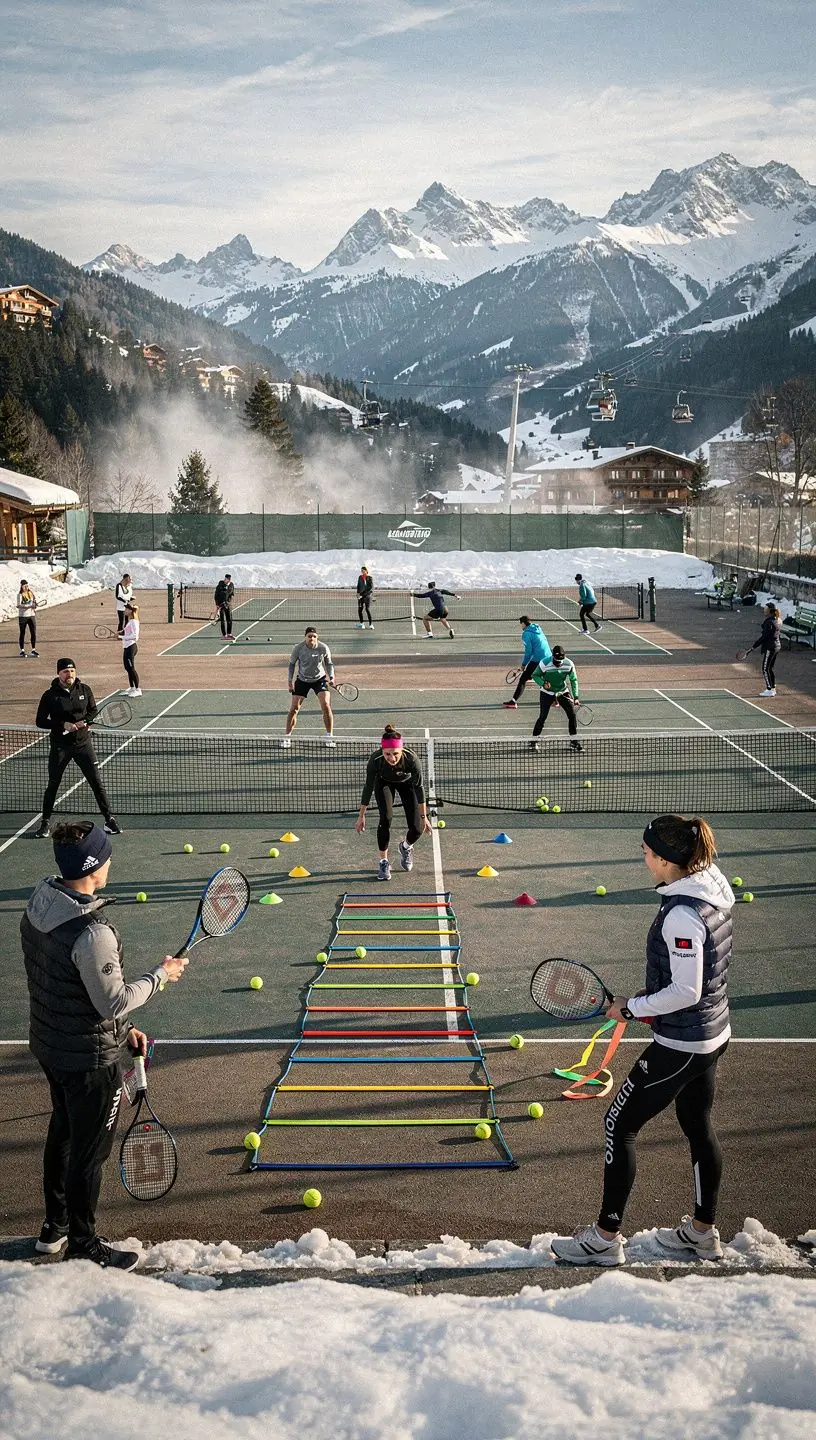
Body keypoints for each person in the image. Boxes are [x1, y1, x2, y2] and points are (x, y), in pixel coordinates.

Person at [550, 814, 733, 1267]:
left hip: (683, 1043)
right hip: (712, 1031)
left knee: (619, 1124)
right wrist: (644, 1002)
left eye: (648, 852)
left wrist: (632, 1007)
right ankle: (702, 1233)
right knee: (697, 1124)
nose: (644, 858)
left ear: (668, 861)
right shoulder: (710, 883)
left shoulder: (683, 915)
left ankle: (604, 1238)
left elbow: (686, 990)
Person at [21, 819, 188, 1269]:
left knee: (63, 1132)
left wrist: (123, 1027)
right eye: (107, 855)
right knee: (89, 1152)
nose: (112, 861)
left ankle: (54, 1228)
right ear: (94, 866)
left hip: (51, 1045)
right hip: (89, 1061)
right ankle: (84, 1243)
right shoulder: (93, 933)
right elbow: (112, 1000)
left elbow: (71, 987)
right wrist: (160, 976)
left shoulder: (39, 903)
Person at [34, 659, 122, 839]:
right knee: (53, 784)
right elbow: (40, 721)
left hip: (83, 745)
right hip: (60, 746)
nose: (70, 675)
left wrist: (86, 721)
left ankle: (109, 820)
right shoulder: (50, 695)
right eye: (66, 672)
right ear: (59, 673)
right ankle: (45, 823)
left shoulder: (85, 690)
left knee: (96, 782)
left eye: (72, 671)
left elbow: (93, 711)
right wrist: (62, 724)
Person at [356, 724, 431, 881]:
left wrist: (424, 817)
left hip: (406, 784)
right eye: (387, 754)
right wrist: (361, 815)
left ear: (401, 750)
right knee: (386, 818)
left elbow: (419, 788)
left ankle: (405, 847)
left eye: (395, 753)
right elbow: (368, 787)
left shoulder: (412, 760)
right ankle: (383, 862)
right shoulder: (375, 760)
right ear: (382, 751)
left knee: (418, 828)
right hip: (384, 783)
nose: (392, 758)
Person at [283, 626, 336, 747]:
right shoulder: (298, 648)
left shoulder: (323, 647)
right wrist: (290, 681)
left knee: (326, 705)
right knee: (294, 708)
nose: (312, 638)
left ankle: (329, 736)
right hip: (302, 680)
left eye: (314, 636)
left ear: (317, 637)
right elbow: (291, 665)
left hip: (319, 679)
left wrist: (332, 677)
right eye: (309, 636)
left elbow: (329, 663)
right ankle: (287, 737)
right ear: (305, 637)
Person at [529, 644, 582, 752]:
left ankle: (574, 741)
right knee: (542, 717)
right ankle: (533, 742)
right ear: (552, 656)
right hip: (546, 692)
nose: (558, 663)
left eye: (560, 661)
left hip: (562, 691)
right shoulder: (544, 663)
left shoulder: (569, 664)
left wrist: (576, 696)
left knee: (572, 715)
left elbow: (573, 680)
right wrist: (543, 683)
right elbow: (535, 675)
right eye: (556, 661)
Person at [503, 615, 552, 708]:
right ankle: (555, 701)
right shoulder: (537, 628)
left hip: (538, 659)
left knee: (523, 679)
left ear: (523, 623)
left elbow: (528, 652)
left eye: (521, 624)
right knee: (545, 678)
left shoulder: (526, 634)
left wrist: (524, 665)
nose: (521, 626)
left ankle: (513, 702)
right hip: (549, 657)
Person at [750, 601, 782, 697]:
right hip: (776, 646)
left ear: (769, 611)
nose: (764, 610)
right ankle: (773, 688)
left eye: (765, 609)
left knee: (765, 669)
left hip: (771, 647)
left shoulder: (769, 622)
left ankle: (769, 689)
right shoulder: (777, 620)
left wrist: (754, 646)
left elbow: (764, 637)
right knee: (769, 668)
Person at [120, 602, 141, 697]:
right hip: (126, 647)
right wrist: (121, 632)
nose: (125, 610)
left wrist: (121, 637)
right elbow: (128, 632)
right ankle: (132, 688)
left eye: (126, 609)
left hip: (131, 647)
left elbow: (135, 636)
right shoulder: (130, 621)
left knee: (131, 668)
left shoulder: (134, 622)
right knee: (127, 668)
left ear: (130, 611)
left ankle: (138, 689)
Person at [18, 578, 39, 658]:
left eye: (27, 586)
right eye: (24, 586)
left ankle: (33, 649)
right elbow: (18, 605)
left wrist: (34, 605)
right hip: (23, 616)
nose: (26, 587)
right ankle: (22, 651)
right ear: (21, 586)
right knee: (22, 633)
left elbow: (34, 602)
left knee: (33, 632)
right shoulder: (19, 595)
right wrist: (28, 606)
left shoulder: (31, 593)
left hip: (31, 615)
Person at [214, 573, 235, 642]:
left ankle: (229, 634)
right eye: (226, 579)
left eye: (228, 579)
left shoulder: (231, 585)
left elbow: (230, 593)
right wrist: (217, 604)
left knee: (229, 619)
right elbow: (216, 595)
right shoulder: (220, 585)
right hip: (221, 605)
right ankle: (224, 635)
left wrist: (228, 602)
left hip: (228, 605)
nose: (227, 580)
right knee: (222, 620)